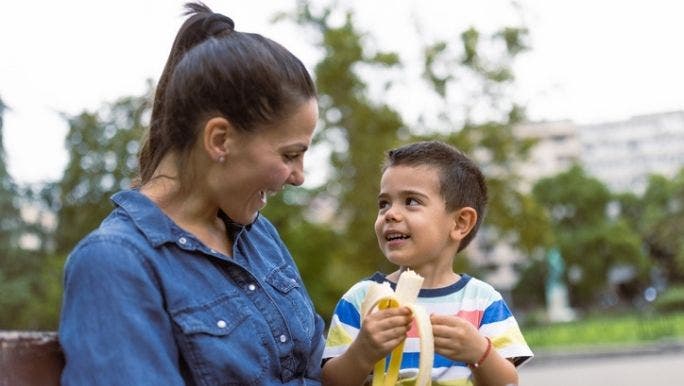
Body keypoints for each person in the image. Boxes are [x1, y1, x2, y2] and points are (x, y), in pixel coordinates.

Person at [59, 2, 325, 384]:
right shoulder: (114, 263)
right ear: (220, 139)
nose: (299, 176)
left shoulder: (258, 237)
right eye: (290, 154)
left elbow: (321, 368)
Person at [321, 141, 533, 385]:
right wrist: (362, 352)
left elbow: (508, 382)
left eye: (411, 201)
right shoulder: (359, 300)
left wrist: (480, 353)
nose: (390, 214)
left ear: (460, 223)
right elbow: (331, 381)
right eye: (384, 203)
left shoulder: (484, 301)